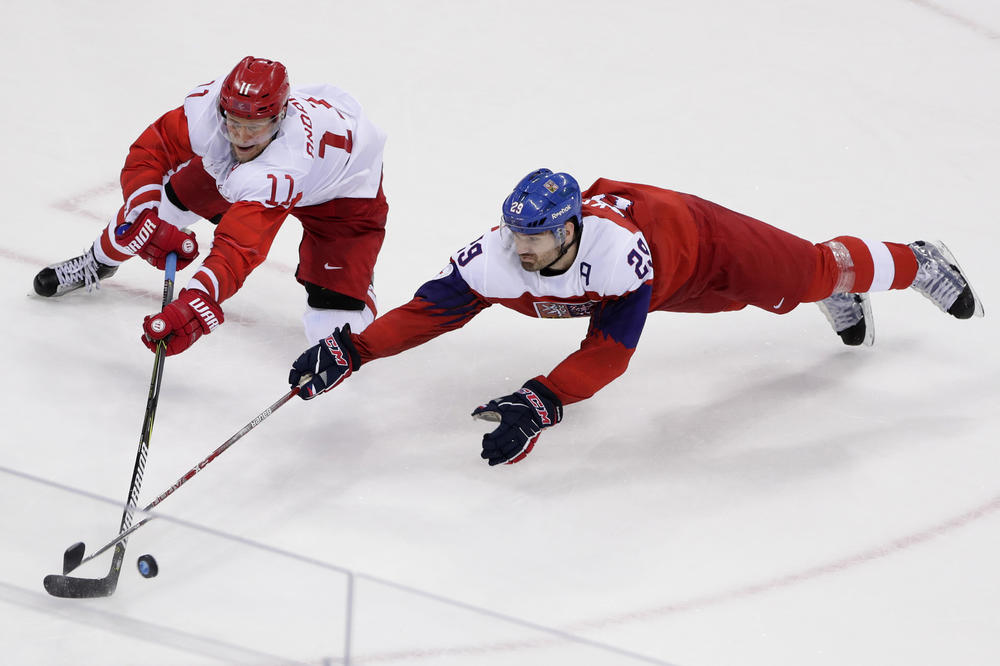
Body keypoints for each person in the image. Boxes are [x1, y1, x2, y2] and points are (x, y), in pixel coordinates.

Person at [287, 169, 983, 466]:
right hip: (670, 279)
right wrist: (356, 350)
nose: (522, 251)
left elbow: (612, 349)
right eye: (515, 234)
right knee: (773, 296)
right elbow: (429, 312)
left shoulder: (616, 257)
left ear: (569, 231)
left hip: (701, 239)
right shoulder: (497, 257)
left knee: (809, 273)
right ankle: (821, 285)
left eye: (537, 238)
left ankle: (915, 260)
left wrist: (543, 400)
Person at [33, 56, 389, 353]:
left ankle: (358, 286)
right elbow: (151, 150)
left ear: (280, 119)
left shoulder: (284, 165)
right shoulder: (211, 113)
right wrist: (144, 215)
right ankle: (98, 262)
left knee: (335, 334)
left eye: (256, 127)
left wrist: (193, 302)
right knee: (158, 211)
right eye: (234, 123)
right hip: (259, 171)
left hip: (343, 191)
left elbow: (238, 249)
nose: (241, 136)